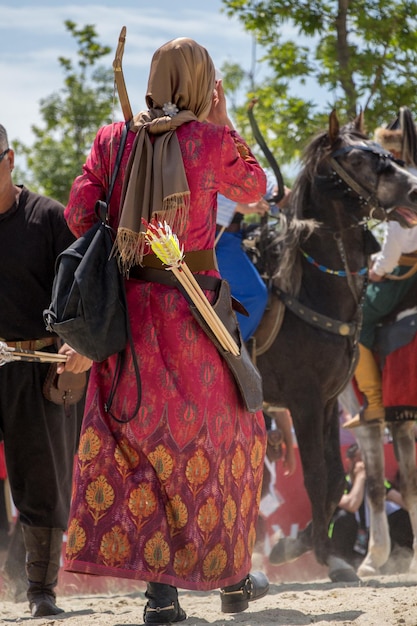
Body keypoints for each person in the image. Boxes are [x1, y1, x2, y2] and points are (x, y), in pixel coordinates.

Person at [63, 37, 269, 623]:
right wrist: (226, 125)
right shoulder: (208, 141)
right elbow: (255, 191)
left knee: (141, 449)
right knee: (232, 440)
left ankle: (161, 594)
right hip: (192, 317)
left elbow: (79, 215)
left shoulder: (112, 137)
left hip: (124, 319)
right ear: (203, 85)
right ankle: (231, 579)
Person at [0, 123, 92, 617]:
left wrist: (78, 341)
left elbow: (84, 287)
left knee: (41, 481)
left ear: (9, 159)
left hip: (37, 366)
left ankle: (39, 593)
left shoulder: (48, 218)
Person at [345, 106, 417, 428]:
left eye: (387, 151)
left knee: (356, 321)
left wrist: (378, 271)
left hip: (403, 272)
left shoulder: (404, 185)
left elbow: (397, 238)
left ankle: (374, 403)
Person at [328, 443, 413, 570]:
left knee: (403, 517)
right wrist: (360, 477)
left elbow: (406, 505)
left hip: (369, 537)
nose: (364, 464)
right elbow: (352, 505)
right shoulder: (340, 483)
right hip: (345, 539)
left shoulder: (376, 482)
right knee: (344, 518)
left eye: (367, 459)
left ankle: (399, 560)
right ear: (349, 461)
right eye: (360, 459)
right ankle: (345, 564)